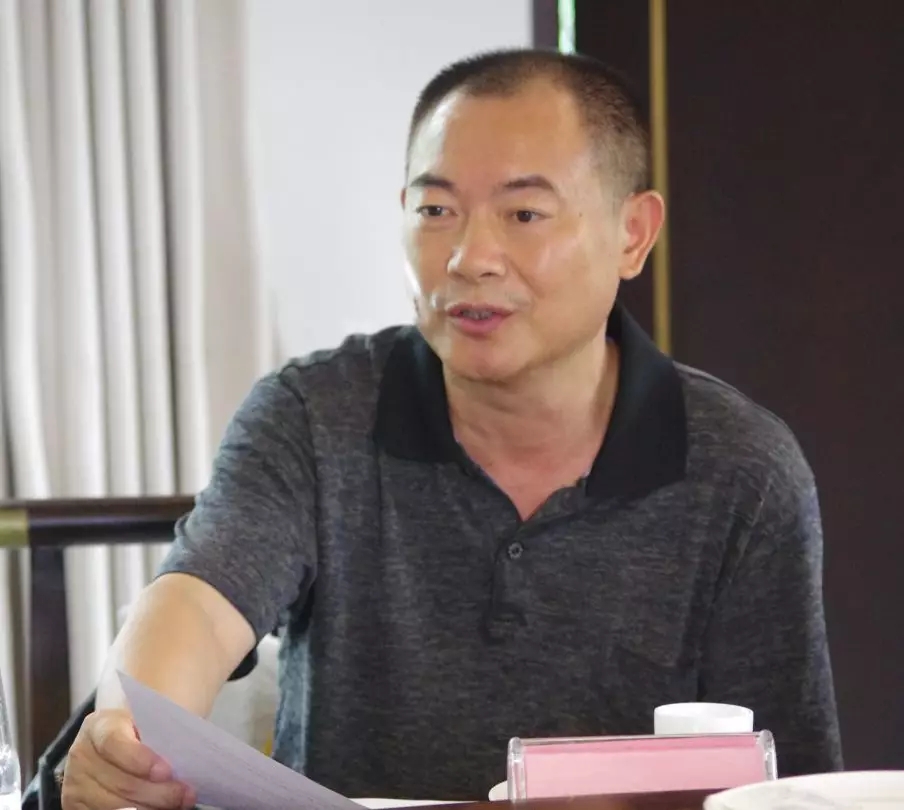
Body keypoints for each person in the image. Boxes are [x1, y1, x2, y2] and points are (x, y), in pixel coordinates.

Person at [61, 48, 842, 810]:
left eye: (524, 214)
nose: (470, 258)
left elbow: (794, 783)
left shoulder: (742, 468)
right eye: (436, 211)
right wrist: (129, 736)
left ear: (632, 233)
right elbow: (200, 603)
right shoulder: (315, 416)